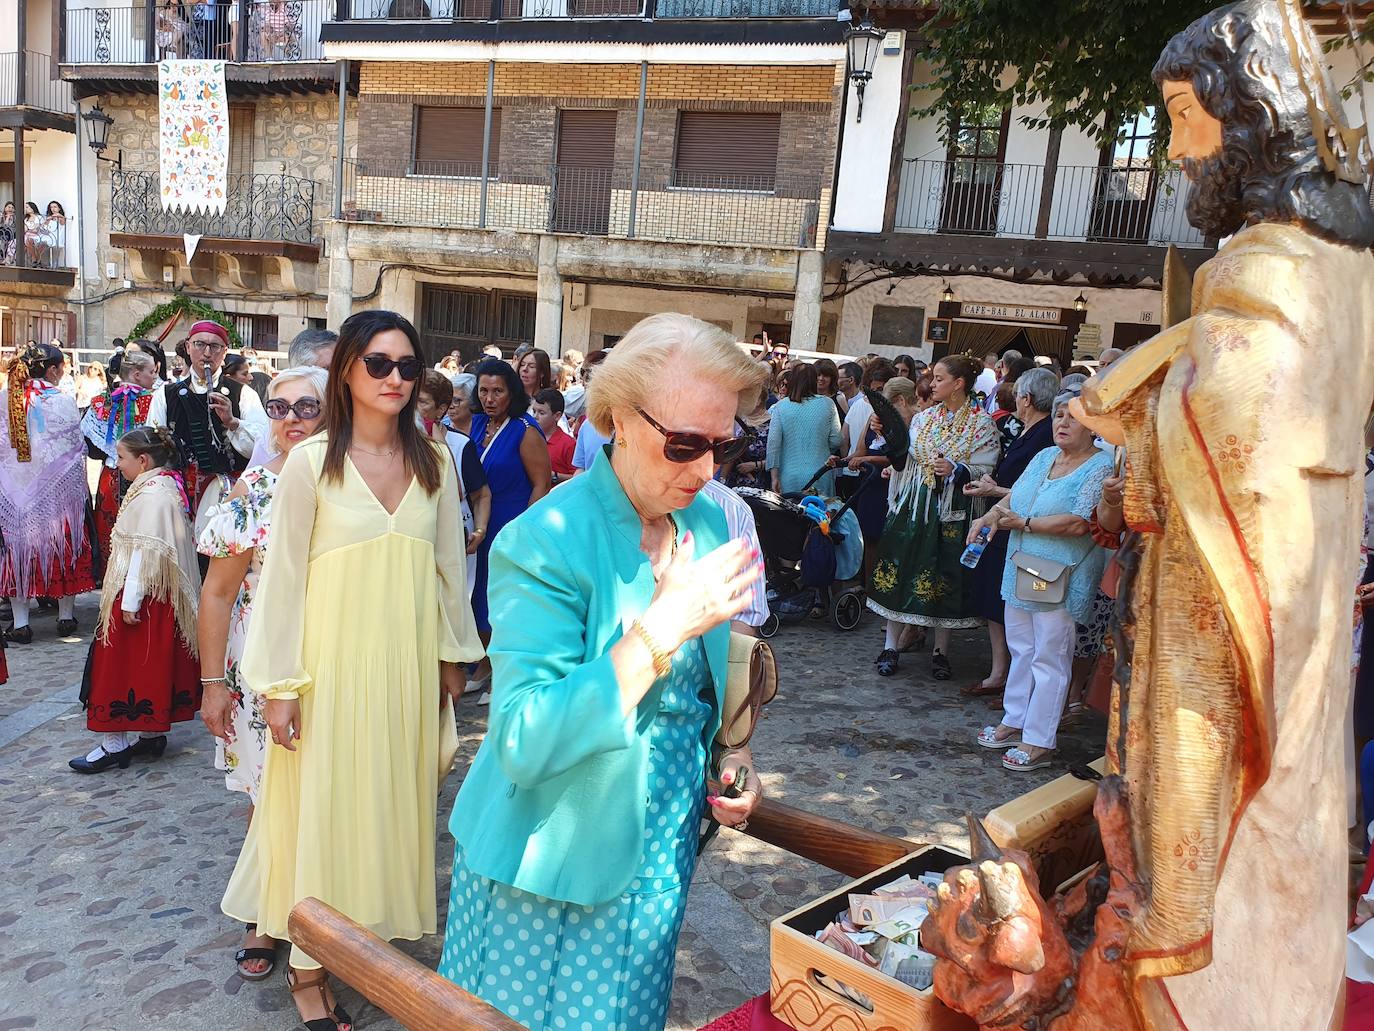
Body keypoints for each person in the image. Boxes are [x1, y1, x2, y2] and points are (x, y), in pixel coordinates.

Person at [438, 312, 765, 1031]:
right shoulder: (544, 541)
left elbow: (707, 683)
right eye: (684, 442)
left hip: (656, 860)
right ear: (615, 416)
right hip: (547, 871)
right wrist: (666, 623)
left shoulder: (706, 521)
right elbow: (523, 739)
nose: (708, 469)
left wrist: (730, 752)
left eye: (724, 443)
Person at [221, 310, 484, 1029]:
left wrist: (452, 661)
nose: (397, 378)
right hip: (326, 671)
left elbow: (447, 571)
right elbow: (281, 584)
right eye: (380, 363)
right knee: (325, 813)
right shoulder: (310, 463)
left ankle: (360, 943)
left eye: (409, 366)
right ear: (347, 373)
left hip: (404, 666)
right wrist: (278, 685)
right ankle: (308, 968)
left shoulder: (437, 462)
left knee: (389, 806)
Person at [197, 366, 326, 980]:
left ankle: (325, 914)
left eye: (308, 406)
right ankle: (264, 916)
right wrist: (212, 683)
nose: (293, 418)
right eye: (279, 408)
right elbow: (218, 594)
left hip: (335, 662)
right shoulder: (254, 493)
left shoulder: (356, 480)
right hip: (259, 669)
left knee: (327, 793)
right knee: (264, 789)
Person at [966, 386, 1111, 773]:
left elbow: (1080, 522)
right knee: (1022, 648)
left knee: (1050, 656)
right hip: (1022, 567)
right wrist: (989, 516)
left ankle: (1039, 739)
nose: (1063, 423)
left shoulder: (1099, 466)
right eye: (1060, 415)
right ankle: (1014, 720)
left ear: (1094, 427)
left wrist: (1025, 523)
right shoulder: (1045, 456)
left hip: (1060, 574)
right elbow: (1014, 498)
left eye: (1074, 417)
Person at [68, 426, 199, 774]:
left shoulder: (152, 495)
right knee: (147, 663)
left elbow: (145, 550)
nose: (118, 464)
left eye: (122, 458)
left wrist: (130, 600)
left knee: (118, 666)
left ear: (142, 461)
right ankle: (151, 734)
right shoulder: (163, 485)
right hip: (157, 596)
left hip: (141, 595)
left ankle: (114, 744)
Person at [867, 355, 999, 679]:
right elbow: (907, 456)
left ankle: (941, 650)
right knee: (901, 569)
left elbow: (988, 466)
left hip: (952, 510)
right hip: (914, 507)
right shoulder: (924, 419)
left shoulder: (983, 424)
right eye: (933, 377)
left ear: (959, 384)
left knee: (944, 575)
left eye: (940, 378)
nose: (932, 383)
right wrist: (888, 440)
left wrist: (958, 469)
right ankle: (890, 645)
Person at [961, 367, 1060, 698]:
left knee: (1011, 605)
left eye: (1018, 395)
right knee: (996, 600)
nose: (1015, 401)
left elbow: (1033, 490)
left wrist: (993, 492)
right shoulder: (1031, 430)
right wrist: (995, 488)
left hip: (1020, 527)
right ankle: (1001, 672)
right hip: (1004, 521)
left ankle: (1008, 678)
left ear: (1027, 399)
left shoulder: (1045, 435)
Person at [0, 343, 96, 642]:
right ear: (53, 369)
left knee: (18, 553)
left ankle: (21, 623)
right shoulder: (62, 401)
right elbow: (73, 447)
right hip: (59, 496)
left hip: (16, 493)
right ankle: (66, 617)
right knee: (64, 549)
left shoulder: (6, 397)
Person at [466, 358, 552, 693]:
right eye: (484, 391)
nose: (489, 398)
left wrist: (524, 532)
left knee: (498, 597)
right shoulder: (474, 425)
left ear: (510, 393)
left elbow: (541, 484)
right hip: (478, 520)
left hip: (510, 520)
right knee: (475, 593)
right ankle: (480, 659)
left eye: (497, 392)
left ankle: (493, 667)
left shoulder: (525, 431)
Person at [148, 320, 267, 533]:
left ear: (224, 351)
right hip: (179, 496)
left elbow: (262, 447)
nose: (206, 353)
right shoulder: (166, 395)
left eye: (215, 346)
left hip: (229, 497)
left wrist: (233, 422)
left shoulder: (244, 394)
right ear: (187, 347)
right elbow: (153, 448)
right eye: (199, 344)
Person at [82, 349, 159, 566]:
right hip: (146, 476)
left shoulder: (100, 402)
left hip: (111, 475)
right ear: (136, 374)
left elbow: (91, 447)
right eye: (152, 372)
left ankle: (111, 581)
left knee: (110, 529)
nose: (154, 376)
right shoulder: (155, 401)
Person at [418, 370, 491, 595]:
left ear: (441, 410)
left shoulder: (460, 444)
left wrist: (479, 530)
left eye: (422, 402)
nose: (413, 408)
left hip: (455, 534)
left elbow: (478, 493)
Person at [766, 362, 842, 497]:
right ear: (814, 380)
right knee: (820, 515)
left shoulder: (780, 406)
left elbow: (773, 444)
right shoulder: (828, 403)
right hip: (821, 473)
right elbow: (836, 440)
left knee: (789, 516)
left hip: (789, 474)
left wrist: (774, 476)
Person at [836, 359, 894, 502]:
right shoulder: (872, 415)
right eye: (872, 391)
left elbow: (895, 458)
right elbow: (860, 449)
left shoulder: (898, 419)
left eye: (880, 390)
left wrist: (863, 459)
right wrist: (840, 462)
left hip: (886, 481)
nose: (877, 395)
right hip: (866, 478)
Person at [720, 367, 772, 490]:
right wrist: (722, 481)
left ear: (758, 400)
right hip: (734, 484)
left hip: (759, 486)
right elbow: (730, 454)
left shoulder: (773, 424)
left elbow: (779, 459)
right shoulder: (740, 421)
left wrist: (755, 465)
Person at [530, 387, 576, 483]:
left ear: (557, 416)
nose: (535, 417)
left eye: (541, 413)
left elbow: (577, 477)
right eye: (534, 411)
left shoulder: (568, 444)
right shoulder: (529, 437)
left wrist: (555, 476)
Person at [446, 372, 476, 437]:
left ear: (472, 401)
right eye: (448, 400)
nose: (450, 406)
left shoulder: (487, 429)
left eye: (456, 401)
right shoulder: (441, 430)